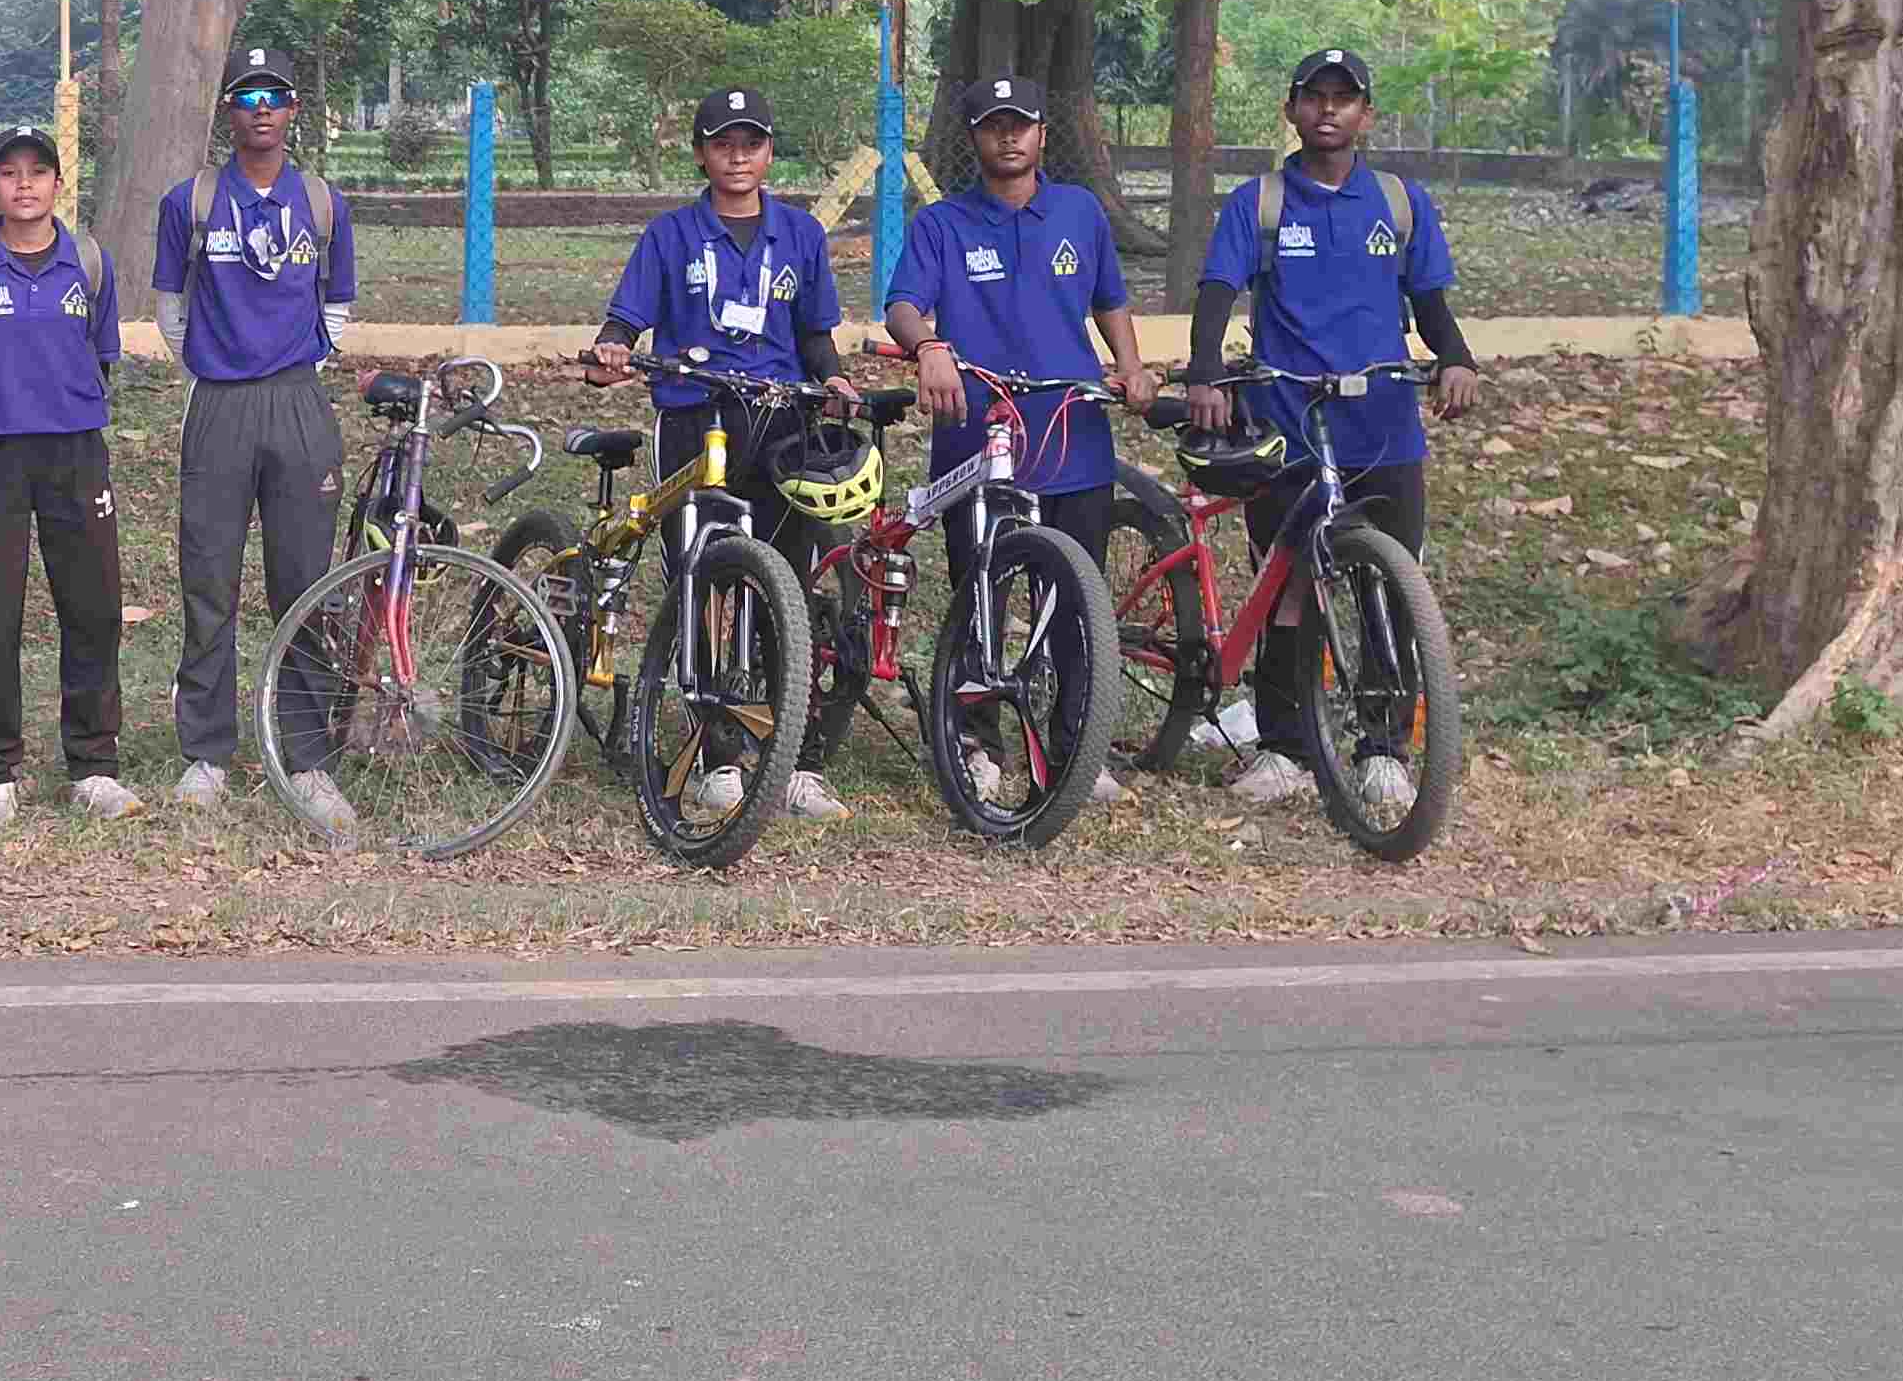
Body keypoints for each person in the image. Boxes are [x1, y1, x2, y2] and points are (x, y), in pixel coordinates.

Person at [1186, 48, 1482, 810]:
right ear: (1291, 109)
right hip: (1286, 427)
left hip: (1384, 430)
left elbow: (1432, 304)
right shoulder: (1258, 204)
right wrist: (1206, 372)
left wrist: (1456, 359)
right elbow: (1217, 294)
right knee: (1286, 591)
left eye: (1343, 99)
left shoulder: (1400, 203)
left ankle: (1384, 750)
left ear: (1366, 116)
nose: (1327, 110)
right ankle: (1284, 747)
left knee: (1392, 591)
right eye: (1313, 97)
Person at [582, 84, 860, 815]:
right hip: (695, 417)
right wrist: (610, 350)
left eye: (752, 143)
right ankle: (718, 757)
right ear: (701, 154)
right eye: (722, 144)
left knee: (790, 586)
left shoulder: (801, 234)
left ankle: (793, 757)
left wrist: (834, 378)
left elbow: (815, 336)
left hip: (783, 420)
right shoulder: (670, 235)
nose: (738, 156)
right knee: (702, 582)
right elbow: (625, 322)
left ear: (770, 152)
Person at [884, 75, 1159, 808]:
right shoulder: (942, 224)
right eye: (992, 125)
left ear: (1042, 133)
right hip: (980, 441)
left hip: (1074, 437)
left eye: (1021, 124)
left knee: (1075, 601)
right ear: (973, 137)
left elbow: (1109, 299)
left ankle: (1075, 746)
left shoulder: (1080, 211)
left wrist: (1131, 366)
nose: (1008, 137)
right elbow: (903, 305)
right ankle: (977, 744)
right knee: (981, 596)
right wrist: (929, 347)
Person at [152, 47, 359, 815]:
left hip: (299, 403)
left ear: (294, 109)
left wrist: (296, 364)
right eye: (247, 96)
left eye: (274, 96)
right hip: (218, 407)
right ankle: (207, 755)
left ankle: (306, 759)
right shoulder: (191, 202)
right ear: (228, 112)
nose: (261, 108)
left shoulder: (323, 202)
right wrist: (219, 367)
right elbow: (171, 310)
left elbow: (337, 306)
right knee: (209, 581)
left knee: (303, 583)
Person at [0, 127, 138, 828]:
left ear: (57, 183)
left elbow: (100, 357)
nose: (24, 184)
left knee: (93, 608)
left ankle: (94, 765)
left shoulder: (89, 263)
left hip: (75, 452)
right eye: (10, 173)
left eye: (38, 171)